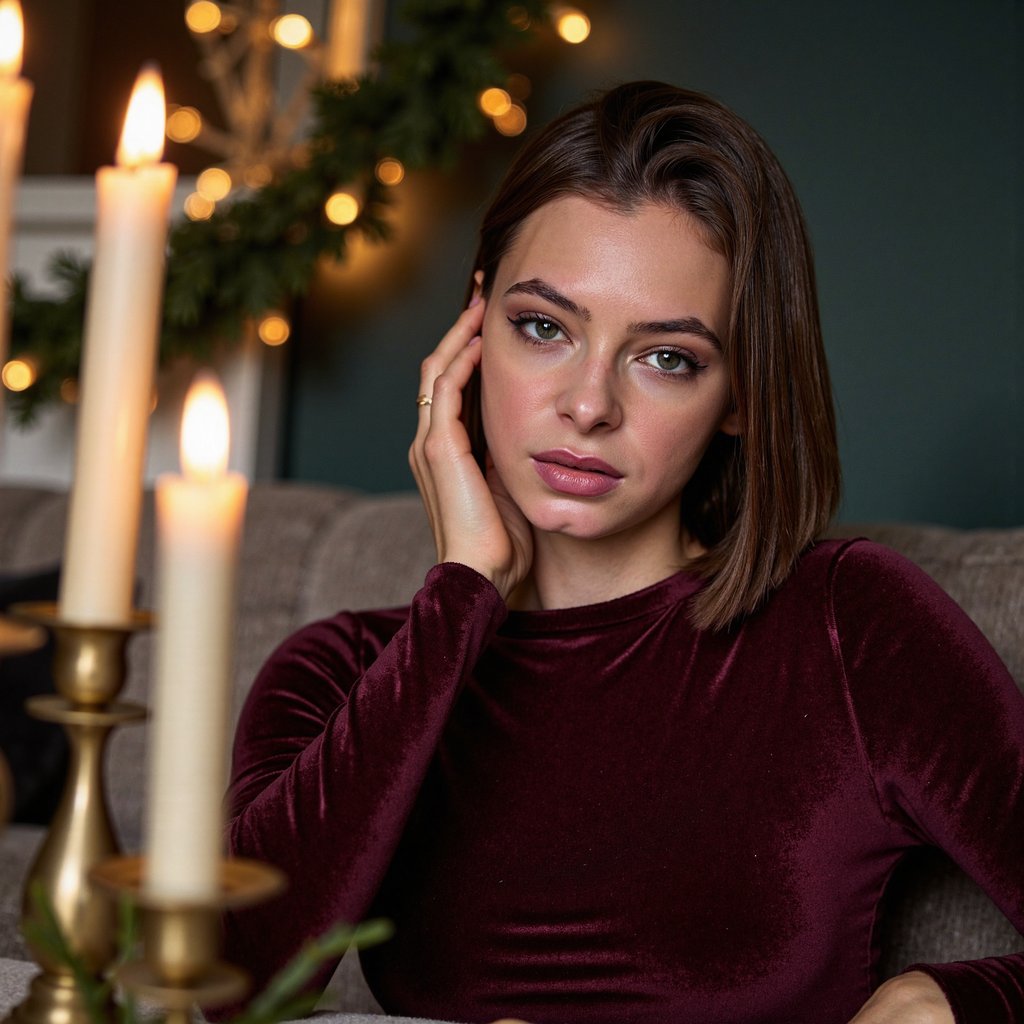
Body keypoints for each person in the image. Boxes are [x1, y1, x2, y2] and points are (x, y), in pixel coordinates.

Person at [223, 82, 1024, 1023]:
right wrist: (460, 598)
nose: (589, 403)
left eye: (666, 357)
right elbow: (231, 989)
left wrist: (954, 999)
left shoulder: (854, 627)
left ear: (743, 396)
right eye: (544, 327)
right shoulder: (340, 673)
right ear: (472, 335)